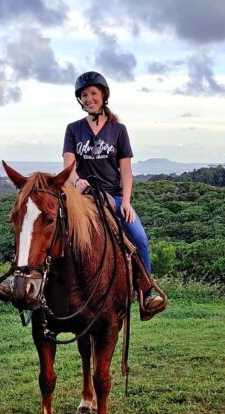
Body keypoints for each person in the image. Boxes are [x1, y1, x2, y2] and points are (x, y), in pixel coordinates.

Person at [62, 71, 166, 320]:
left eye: (93, 94)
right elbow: (68, 167)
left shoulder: (118, 130)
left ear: (103, 96)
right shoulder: (73, 129)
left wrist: (127, 202)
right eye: (84, 95)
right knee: (50, 229)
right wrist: (77, 181)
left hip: (114, 196)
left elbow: (126, 171)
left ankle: (145, 295)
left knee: (139, 237)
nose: (89, 99)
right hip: (82, 197)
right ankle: (38, 298)